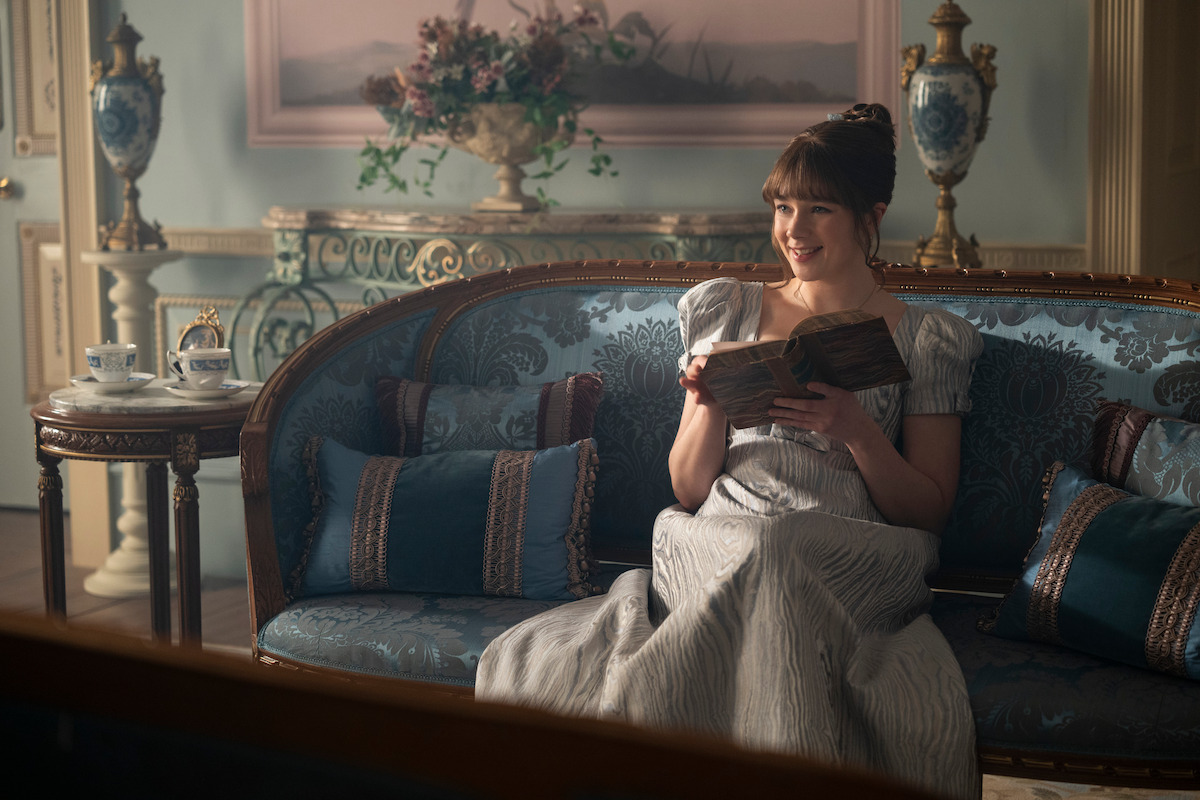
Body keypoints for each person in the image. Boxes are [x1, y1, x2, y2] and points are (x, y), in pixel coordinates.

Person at [477, 103, 984, 799]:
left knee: (779, 546)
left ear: (872, 215)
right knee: (760, 545)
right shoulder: (727, 311)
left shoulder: (926, 339)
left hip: (848, 551)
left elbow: (928, 511)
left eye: (819, 209)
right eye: (783, 206)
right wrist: (712, 398)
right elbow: (688, 488)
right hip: (719, 536)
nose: (794, 230)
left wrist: (856, 430)